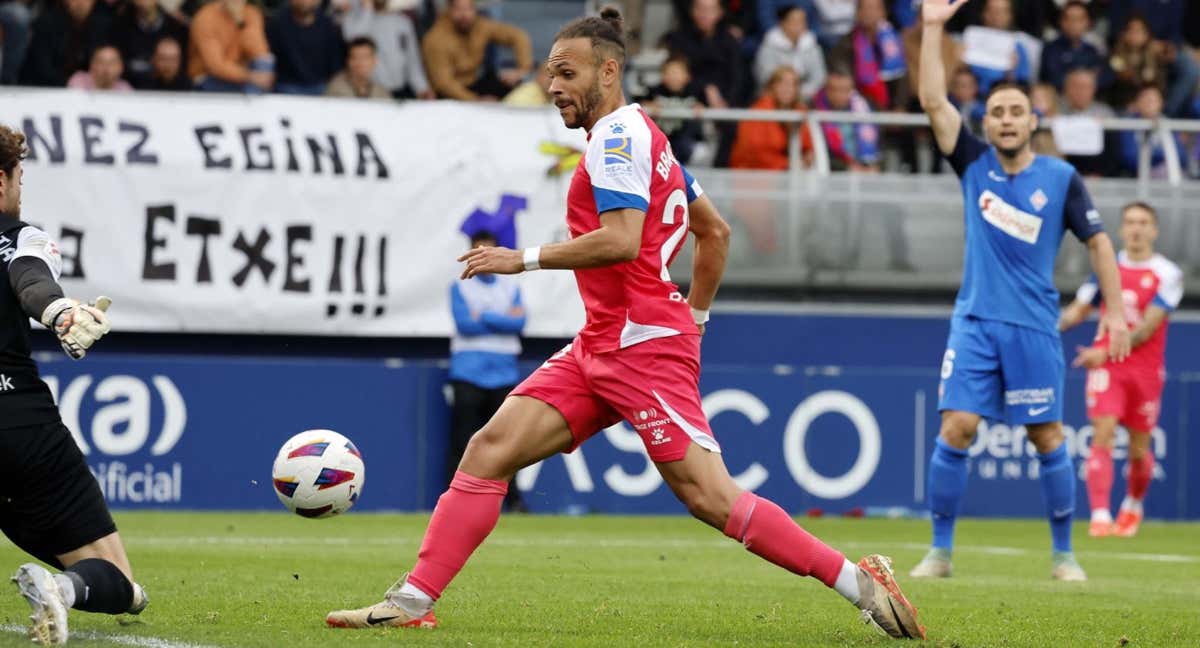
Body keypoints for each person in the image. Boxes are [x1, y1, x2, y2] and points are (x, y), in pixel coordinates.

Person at [324, 8, 926, 640]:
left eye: (566, 72)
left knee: (711, 499)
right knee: (489, 449)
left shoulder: (615, 140)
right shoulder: (644, 134)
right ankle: (414, 600)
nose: (552, 85)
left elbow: (619, 241)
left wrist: (520, 259)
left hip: (640, 347)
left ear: (608, 71)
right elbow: (713, 233)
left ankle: (859, 583)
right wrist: (694, 319)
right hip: (606, 343)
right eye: (549, 73)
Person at [910, 0, 1131, 583]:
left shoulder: (1060, 178)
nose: (1007, 119)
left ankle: (1064, 555)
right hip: (976, 321)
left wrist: (1117, 312)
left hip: (1035, 327)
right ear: (987, 124)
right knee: (956, 428)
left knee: (1047, 435)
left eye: (1016, 112)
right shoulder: (974, 164)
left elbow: (1101, 244)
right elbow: (934, 100)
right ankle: (939, 551)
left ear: (1033, 120)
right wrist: (933, 28)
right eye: (997, 112)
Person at [0, 124, 148, 645]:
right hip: (16, 422)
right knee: (122, 584)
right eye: (20, 177)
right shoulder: (19, 235)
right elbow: (32, 279)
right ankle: (62, 591)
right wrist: (60, 310)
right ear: (1, 181)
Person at [1059, 201, 1183, 538]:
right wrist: (1046, 330)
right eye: (1129, 222)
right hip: (1107, 368)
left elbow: (1147, 327)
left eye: (1143, 222)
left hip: (1144, 371)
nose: (1136, 228)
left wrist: (1107, 350)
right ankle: (1100, 516)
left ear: (1154, 230)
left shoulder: (1168, 274)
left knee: (1139, 450)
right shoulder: (1105, 268)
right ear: (1120, 229)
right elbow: (1078, 310)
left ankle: (1132, 505)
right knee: (1102, 433)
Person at [446, 230, 528, 513]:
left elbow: (519, 324)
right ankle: (453, 501)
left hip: (504, 372)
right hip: (468, 371)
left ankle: (513, 499)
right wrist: (502, 318)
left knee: (509, 441)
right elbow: (464, 325)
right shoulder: (460, 286)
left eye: (488, 251)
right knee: (463, 438)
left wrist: (485, 316)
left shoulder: (510, 286)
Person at [420, 0, 533, 101]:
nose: (464, 15)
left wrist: (522, 70)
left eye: (469, 9)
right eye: (459, 9)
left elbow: (518, 36)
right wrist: (476, 100)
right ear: (449, 10)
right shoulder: (435, 39)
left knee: (516, 86)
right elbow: (443, 83)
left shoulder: (479, 25)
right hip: (450, 92)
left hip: (475, 83)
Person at [341, 0, 433, 99]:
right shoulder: (355, 18)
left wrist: (422, 88)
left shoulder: (403, 22)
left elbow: (412, 61)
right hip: (369, 93)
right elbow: (353, 40)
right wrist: (367, 8)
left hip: (400, 91)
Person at [188, 0, 274, 93]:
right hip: (209, 77)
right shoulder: (206, 18)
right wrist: (249, 76)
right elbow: (215, 66)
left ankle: (253, 98)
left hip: (242, 74)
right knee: (253, 86)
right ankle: (253, 100)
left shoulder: (251, 13)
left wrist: (240, 23)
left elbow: (260, 52)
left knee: (265, 61)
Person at [266, 0, 345, 95]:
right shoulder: (276, 25)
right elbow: (268, 58)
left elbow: (335, 65)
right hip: (285, 86)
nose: (304, 1)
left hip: (321, 87)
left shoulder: (328, 26)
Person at [753, 4, 826, 103]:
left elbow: (819, 78)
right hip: (774, 99)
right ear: (782, 23)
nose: (798, 25)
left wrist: (799, 93)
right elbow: (766, 77)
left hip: (806, 99)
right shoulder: (769, 45)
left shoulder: (812, 46)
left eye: (802, 21)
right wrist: (787, 91)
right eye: (794, 21)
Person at [1039, 1, 1102, 92]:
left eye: (1079, 19)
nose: (1074, 24)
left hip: (1089, 100)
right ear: (1061, 21)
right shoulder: (1051, 49)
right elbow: (1053, 79)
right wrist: (1083, 77)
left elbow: (1104, 78)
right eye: (1070, 19)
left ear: (1088, 22)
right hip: (1059, 99)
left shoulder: (1092, 50)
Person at [325, 36, 391, 100]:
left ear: (374, 61)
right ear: (348, 61)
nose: (360, 62)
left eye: (365, 57)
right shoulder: (337, 88)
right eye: (355, 57)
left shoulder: (380, 92)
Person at [67, 43, 133, 91]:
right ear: (92, 65)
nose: (106, 67)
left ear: (121, 67)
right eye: (101, 62)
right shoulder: (79, 80)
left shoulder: (125, 88)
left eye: (112, 63)